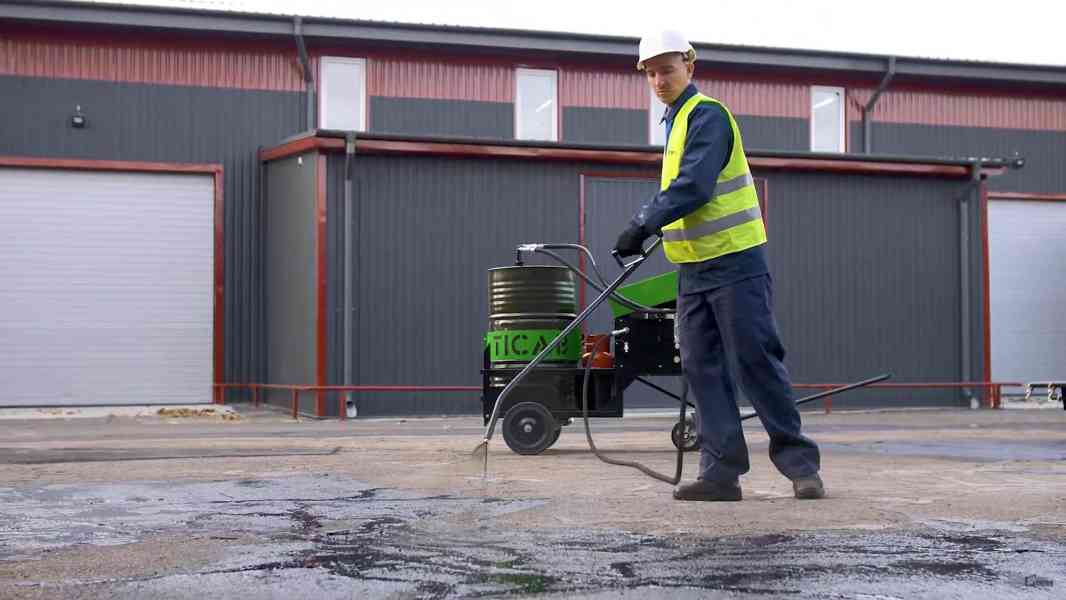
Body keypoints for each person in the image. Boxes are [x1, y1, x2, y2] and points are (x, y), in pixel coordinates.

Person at [613, 30, 824, 501]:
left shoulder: (707, 115)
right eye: (650, 72)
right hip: (693, 272)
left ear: (690, 65)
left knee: (755, 361)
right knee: (702, 367)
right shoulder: (674, 123)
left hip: (735, 261)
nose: (658, 79)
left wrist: (642, 222)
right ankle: (720, 473)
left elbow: (695, 187)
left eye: (666, 69)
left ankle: (801, 467)